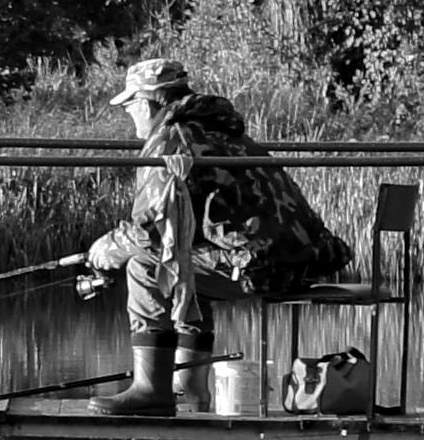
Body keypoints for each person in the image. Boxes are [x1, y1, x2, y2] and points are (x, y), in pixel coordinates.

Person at [78, 51, 350, 414]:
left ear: (150, 102)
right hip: (307, 260)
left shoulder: (171, 140)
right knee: (188, 265)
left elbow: (150, 232)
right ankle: (191, 390)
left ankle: (150, 392)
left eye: (130, 104)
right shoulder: (227, 134)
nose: (128, 113)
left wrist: (107, 249)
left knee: (144, 266)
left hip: (262, 267)